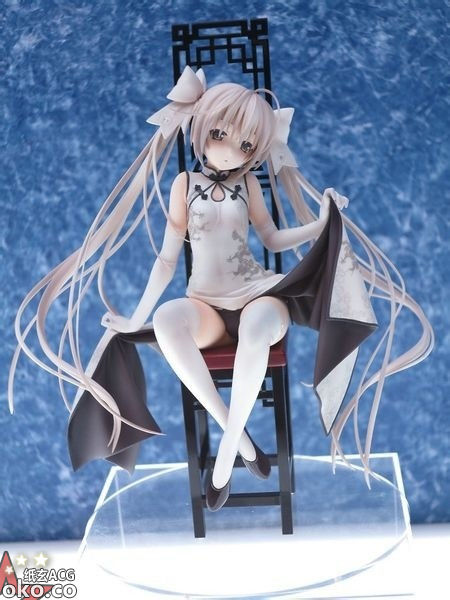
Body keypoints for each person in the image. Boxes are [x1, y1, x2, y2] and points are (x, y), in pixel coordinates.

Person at [8, 66, 434, 512]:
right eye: (220, 134)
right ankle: (241, 438)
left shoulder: (248, 184)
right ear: (202, 127)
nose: (231, 151)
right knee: (167, 319)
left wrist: (320, 224)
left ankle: (226, 457)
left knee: (256, 327)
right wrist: (136, 318)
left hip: (259, 295)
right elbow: (166, 260)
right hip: (206, 306)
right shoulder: (184, 185)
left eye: (245, 145)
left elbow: (272, 238)